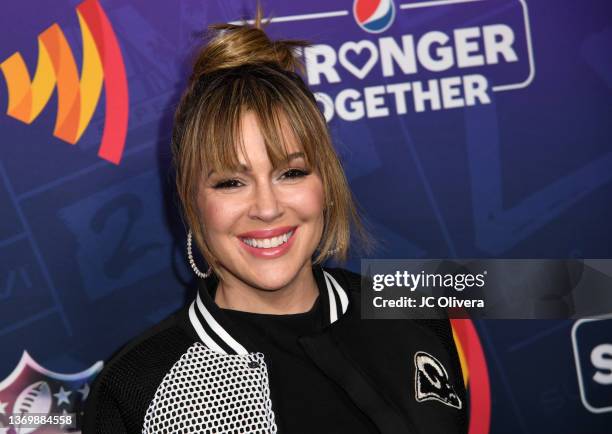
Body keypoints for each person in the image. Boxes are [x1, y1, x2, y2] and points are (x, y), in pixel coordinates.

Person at [83, 8, 467, 434]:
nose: (267, 208)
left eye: (292, 173)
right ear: (192, 201)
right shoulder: (141, 389)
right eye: (231, 182)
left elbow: (542, 290)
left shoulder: (412, 311)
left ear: (326, 181)